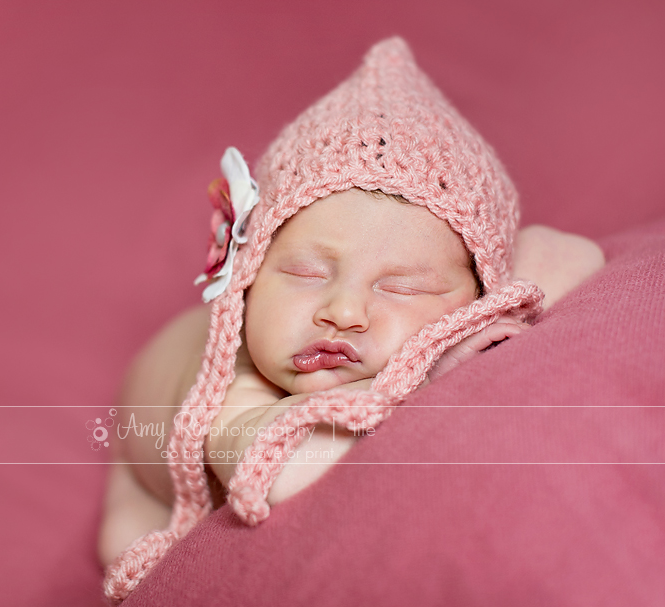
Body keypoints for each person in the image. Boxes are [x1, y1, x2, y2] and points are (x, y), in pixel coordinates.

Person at [99, 38, 605, 601]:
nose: (341, 311)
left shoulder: (479, 280)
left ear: (481, 287)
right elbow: (286, 465)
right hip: (141, 438)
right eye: (305, 273)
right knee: (132, 550)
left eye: (401, 286)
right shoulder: (235, 386)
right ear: (249, 274)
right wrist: (428, 365)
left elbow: (570, 256)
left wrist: (466, 323)